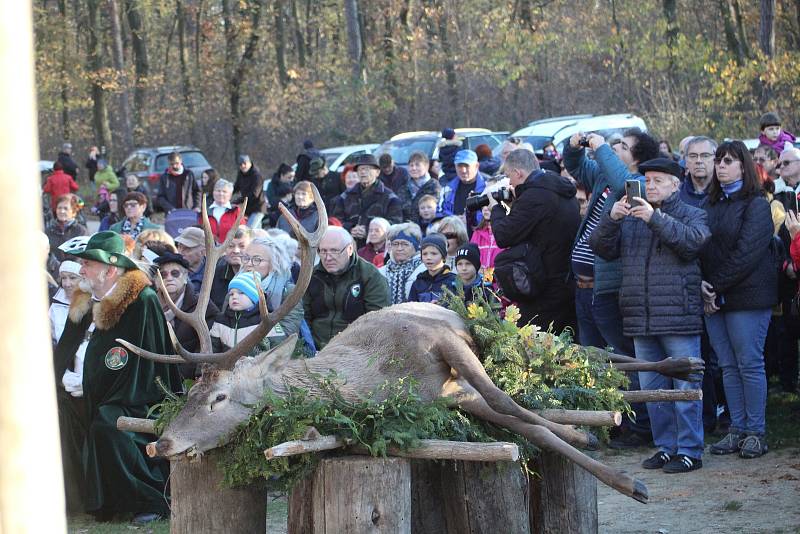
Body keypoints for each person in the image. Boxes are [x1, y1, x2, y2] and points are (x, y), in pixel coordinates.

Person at [591, 158, 710, 473]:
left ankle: (690, 450)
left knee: (685, 388)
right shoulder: (631, 217)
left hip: (677, 316)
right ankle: (666, 447)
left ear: (675, 184)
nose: (651, 185)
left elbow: (692, 244)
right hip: (639, 317)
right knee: (653, 390)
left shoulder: (692, 213)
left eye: (658, 180)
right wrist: (611, 218)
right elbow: (601, 248)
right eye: (648, 179)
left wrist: (655, 218)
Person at [53, 231, 181, 522]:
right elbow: (64, 351)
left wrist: (87, 386)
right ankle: (72, 497)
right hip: (84, 391)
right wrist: (61, 380)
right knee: (54, 410)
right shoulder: (84, 298)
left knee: (108, 423)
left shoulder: (140, 301)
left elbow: (145, 368)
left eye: (87, 264)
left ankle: (145, 500)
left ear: (109, 270)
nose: (81, 269)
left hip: (133, 398)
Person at [563, 127, 660, 447]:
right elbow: (575, 165)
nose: (613, 148)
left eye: (622, 146)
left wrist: (602, 147)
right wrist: (575, 145)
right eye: (613, 144)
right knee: (593, 360)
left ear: (638, 157)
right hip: (583, 287)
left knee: (623, 359)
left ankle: (639, 426)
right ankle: (606, 423)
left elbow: (624, 184)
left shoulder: (640, 183)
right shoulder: (603, 175)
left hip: (610, 287)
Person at [701, 141, 777, 459]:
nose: (720, 166)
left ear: (743, 166)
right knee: (728, 367)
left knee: (748, 364)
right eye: (718, 160)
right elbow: (701, 248)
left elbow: (746, 254)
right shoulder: (711, 204)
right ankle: (737, 429)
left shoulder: (756, 205)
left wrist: (713, 286)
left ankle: (755, 433)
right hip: (715, 297)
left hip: (748, 296)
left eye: (728, 161)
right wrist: (704, 287)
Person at [491, 149, 579, 333]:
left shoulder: (534, 197)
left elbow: (503, 236)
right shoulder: (562, 190)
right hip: (568, 280)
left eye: (509, 176)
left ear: (518, 172)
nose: (510, 183)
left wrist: (496, 209)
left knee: (535, 347)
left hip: (543, 286)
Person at [303, 226, 390, 348]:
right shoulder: (312, 276)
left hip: (355, 350)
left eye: (334, 251)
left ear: (349, 249)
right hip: (315, 347)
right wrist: (308, 346)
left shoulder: (370, 276)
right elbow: (303, 316)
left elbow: (377, 320)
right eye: (323, 251)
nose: (328, 258)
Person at [153, 252, 218, 378]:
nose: (169, 278)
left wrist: (181, 379)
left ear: (185, 277)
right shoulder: (149, 306)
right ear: (156, 280)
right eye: (163, 274)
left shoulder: (202, 305)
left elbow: (204, 348)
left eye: (175, 273)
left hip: (186, 377)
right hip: (155, 377)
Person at [332, 153, 402, 246]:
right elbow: (336, 220)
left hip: (378, 248)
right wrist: (350, 228)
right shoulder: (345, 196)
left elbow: (395, 224)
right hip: (349, 246)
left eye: (367, 169)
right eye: (360, 169)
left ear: (377, 172)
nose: (363, 172)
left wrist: (369, 230)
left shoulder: (390, 198)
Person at [210, 271, 271, 354]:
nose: (234, 296)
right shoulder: (221, 321)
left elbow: (276, 350)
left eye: (241, 293)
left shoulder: (265, 321)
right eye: (231, 294)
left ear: (254, 298)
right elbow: (212, 349)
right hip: (225, 366)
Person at [379, 223, 426, 305]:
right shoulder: (381, 272)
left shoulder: (425, 269)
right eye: (395, 244)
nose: (399, 248)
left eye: (405, 244)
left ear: (415, 246)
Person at [440, 150, 488, 229]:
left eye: (466, 166)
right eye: (460, 166)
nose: (463, 170)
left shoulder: (488, 187)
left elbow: (493, 213)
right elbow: (440, 211)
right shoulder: (447, 188)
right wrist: (454, 220)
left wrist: (470, 219)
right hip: (453, 231)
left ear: (476, 166)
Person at [408, 233, 458, 304]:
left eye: (434, 253)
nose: (428, 258)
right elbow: (410, 307)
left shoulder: (453, 281)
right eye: (425, 254)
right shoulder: (418, 282)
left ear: (444, 257)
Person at [210, 227, 252, 308]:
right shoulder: (215, 273)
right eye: (231, 246)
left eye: (242, 246)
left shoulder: (257, 275)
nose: (236, 251)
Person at [396, 151, 441, 221]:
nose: (414, 168)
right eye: (411, 165)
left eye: (417, 165)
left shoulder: (434, 186)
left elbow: (435, 210)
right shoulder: (403, 188)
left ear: (426, 167)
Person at [46, 194, 89, 263]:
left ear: (74, 212)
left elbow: (80, 257)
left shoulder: (81, 232)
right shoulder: (48, 231)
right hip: (52, 271)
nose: (62, 211)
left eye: (66, 208)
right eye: (59, 208)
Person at [49, 260, 82, 345]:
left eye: (73, 278)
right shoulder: (55, 306)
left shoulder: (93, 304)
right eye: (64, 278)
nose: (67, 284)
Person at [680, 136, 717, 207]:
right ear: (686, 161)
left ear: (716, 160)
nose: (698, 161)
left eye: (705, 156)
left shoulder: (726, 195)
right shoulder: (675, 195)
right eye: (693, 156)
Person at [233, 155, 267, 228]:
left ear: (250, 163)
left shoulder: (257, 176)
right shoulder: (241, 174)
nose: (243, 166)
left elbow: (255, 194)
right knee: (256, 233)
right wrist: (228, 192)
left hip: (258, 208)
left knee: (248, 230)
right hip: (248, 208)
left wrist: (239, 200)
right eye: (240, 164)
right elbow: (236, 187)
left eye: (244, 163)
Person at [204, 179, 240, 244]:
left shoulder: (236, 211)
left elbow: (242, 231)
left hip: (230, 248)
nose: (221, 193)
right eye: (218, 191)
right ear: (213, 192)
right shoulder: (204, 211)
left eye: (224, 191)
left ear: (230, 195)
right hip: (209, 249)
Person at [174, 227, 207, 292]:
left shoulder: (215, 272)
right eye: (179, 246)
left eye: (187, 248)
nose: (180, 252)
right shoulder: (171, 270)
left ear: (203, 252)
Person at [469, 205, 501, 269]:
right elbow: (470, 259)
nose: (485, 209)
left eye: (488, 204)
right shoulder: (477, 233)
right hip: (481, 277)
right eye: (483, 206)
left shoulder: (508, 232)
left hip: (501, 277)